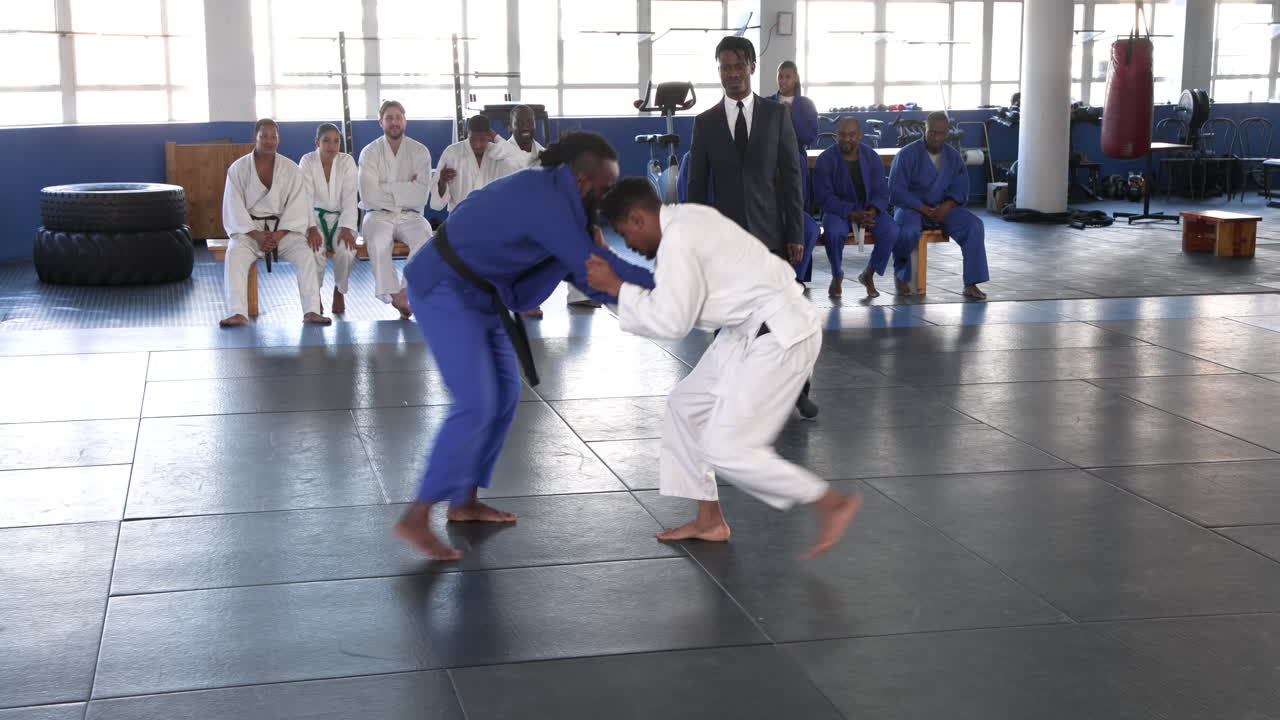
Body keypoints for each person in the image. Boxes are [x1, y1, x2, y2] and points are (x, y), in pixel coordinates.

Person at [392, 132, 656, 560]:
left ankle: (464, 501)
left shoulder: (564, 200)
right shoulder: (548, 201)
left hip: (483, 291)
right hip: (443, 285)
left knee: (503, 395)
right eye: (605, 187)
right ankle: (416, 515)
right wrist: (664, 288)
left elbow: (588, 262)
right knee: (476, 402)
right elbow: (592, 272)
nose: (608, 198)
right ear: (581, 178)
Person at [590, 178, 862, 559]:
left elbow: (671, 322)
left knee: (726, 448)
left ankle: (828, 500)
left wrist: (615, 286)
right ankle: (709, 520)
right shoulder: (682, 222)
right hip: (744, 330)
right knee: (685, 406)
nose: (629, 244)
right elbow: (666, 294)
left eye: (624, 235)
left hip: (780, 334)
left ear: (637, 218)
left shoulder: (680, 238)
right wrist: (612, 276)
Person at [686, 35, 818, 420]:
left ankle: (797, 391)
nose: (731, 74)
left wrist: (795, 232)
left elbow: (793, 179)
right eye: (725, 67)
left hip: (772, 237)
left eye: (738, 66)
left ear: (751, 69)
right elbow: (696, 187)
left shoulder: (777, 117)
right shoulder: (706, 123)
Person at [219, 118, 329, 327]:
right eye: (264, 136)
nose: (269, 141)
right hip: (250, 233)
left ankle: (312, 311)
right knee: (234, 254)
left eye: (274, 136)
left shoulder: (290, 168)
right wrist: (256, 234)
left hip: (283, 231)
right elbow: (233, 206)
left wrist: (278, 235)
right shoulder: (238, 168)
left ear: (279, 139)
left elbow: (298, 203)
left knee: (306, 254)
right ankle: (238, 313)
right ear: (255, 137)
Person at [501, 105, 599, 315]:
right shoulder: (500, 153)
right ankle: (524, 301)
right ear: (511, 125)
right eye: (521, 122)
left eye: (530, 122)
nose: (526, 127)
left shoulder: (544, 155)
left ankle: (579, 295)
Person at [889, 111, 989, 300]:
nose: (936, 137)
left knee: (974, 226)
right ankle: (901, 276)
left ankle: (971, 283)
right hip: (911, 209)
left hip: (943, 209)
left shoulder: (953, 157)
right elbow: (896, 190)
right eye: (932, 132)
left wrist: (947, 205)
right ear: (924, 130)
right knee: (907, 231)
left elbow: (961, 188)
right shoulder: (906, 154)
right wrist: (921, 207)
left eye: (940, 133)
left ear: (947, 133)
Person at [812, 117, 911, 298]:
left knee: (891, 230)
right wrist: (850, 212)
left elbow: (882, 192)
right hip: (838, 211)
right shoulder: (825, 159)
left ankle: (869, 273)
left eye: (851, 135)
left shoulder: (871, 157)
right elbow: (823, 197)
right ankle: (836, 275)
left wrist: (872, 211)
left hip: (867, 210)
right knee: (833, 232)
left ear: (859, 135)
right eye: (842, 134)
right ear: (836, 135)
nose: (847, 138)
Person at [358, 100, 433, 318]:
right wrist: (405, 187)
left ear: (405, 121)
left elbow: (421, 194)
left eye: (398, 117)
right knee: (379, 239)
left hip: (411, 215)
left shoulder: (420, 151)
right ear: (380, 122)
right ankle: (393, 293)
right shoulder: (369, 152)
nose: (394, 122)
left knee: (425, 237)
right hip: (377, 215)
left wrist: (386, 188)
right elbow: (369, 195)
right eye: (389, 118)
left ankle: (404, 291)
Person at [767, 60, 822, 284]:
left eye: (788, 76)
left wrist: (790, 115)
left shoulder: (805, 105)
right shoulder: (768, 103)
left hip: (796, 158)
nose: (783, 80)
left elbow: (810, 134)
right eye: (780, 76)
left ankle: (796, 275)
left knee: (799, 218)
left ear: (796, 78)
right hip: (769, 160)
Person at [300, 123, 358, 314]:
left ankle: (339, 290)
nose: (331, 146)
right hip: (314, 219)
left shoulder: (347, 161)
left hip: (342, 219)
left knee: (347, 250)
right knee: (313, 250)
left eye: (336, 141)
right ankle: (315, 295)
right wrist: (310, 227)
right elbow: (305, 196)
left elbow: (351, 196)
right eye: (326, 140)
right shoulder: (307, 161)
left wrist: (348, 227)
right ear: (317, 142)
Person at [430, 115, 517, 214]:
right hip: (459, 216)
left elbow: (512, 153)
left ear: (489, 136)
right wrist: (442, 181)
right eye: (473, 139)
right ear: (468, 134)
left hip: (489, 216)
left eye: (482, 139)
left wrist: (496, 137)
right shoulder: (452, 152)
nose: (477, 145)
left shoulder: (496, 153)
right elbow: (436, 204)